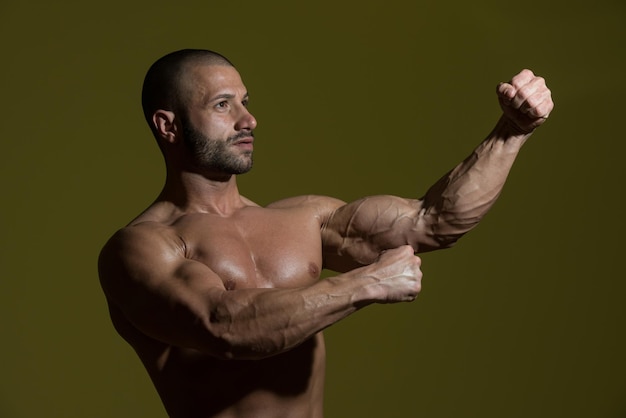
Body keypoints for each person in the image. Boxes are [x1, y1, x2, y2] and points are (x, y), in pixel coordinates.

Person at [98, 49, 553, 418]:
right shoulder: (140, 247)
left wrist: (511, 131)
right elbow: (224, 327)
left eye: (245, 101)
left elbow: (433, 221)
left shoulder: (305, 219)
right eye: (223, 105)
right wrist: (365, 284)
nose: (248, 120)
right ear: (168, 125)